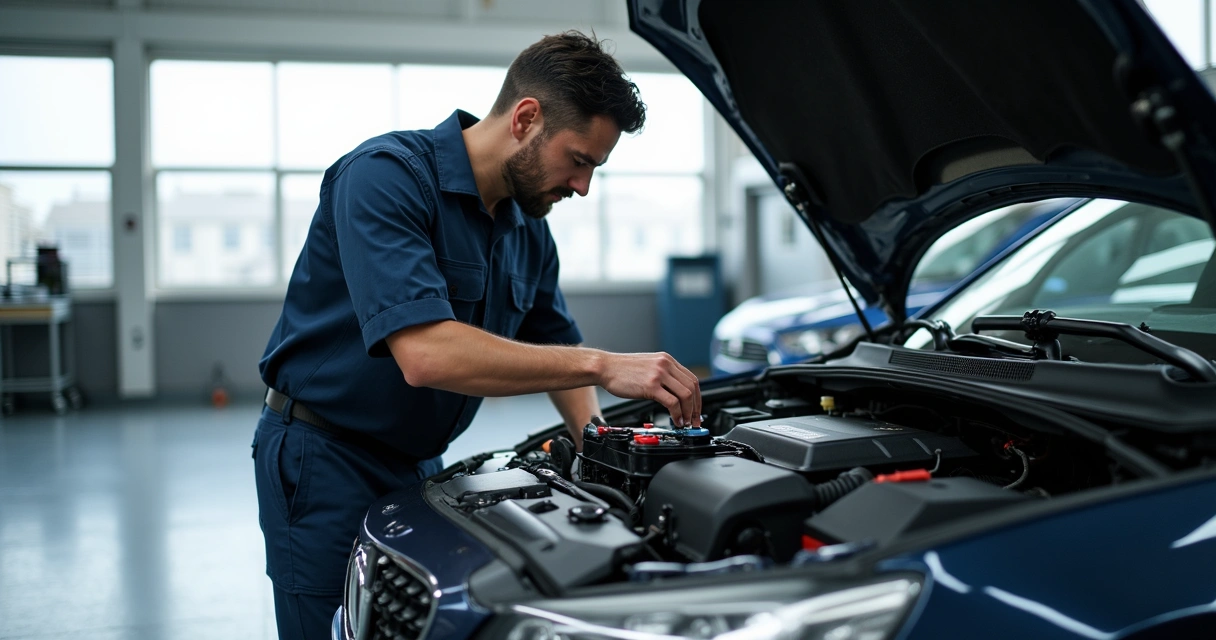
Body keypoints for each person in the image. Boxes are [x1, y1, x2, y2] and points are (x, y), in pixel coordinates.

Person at [253, 30, 703, 640]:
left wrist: (598, 446)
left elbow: (557, 341)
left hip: (420, 461)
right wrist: (604, 364)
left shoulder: (527, 228)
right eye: (579, 160)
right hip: (324, 458)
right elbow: (425, 355)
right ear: (525, 118)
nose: (582, 187)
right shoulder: (386, 177)